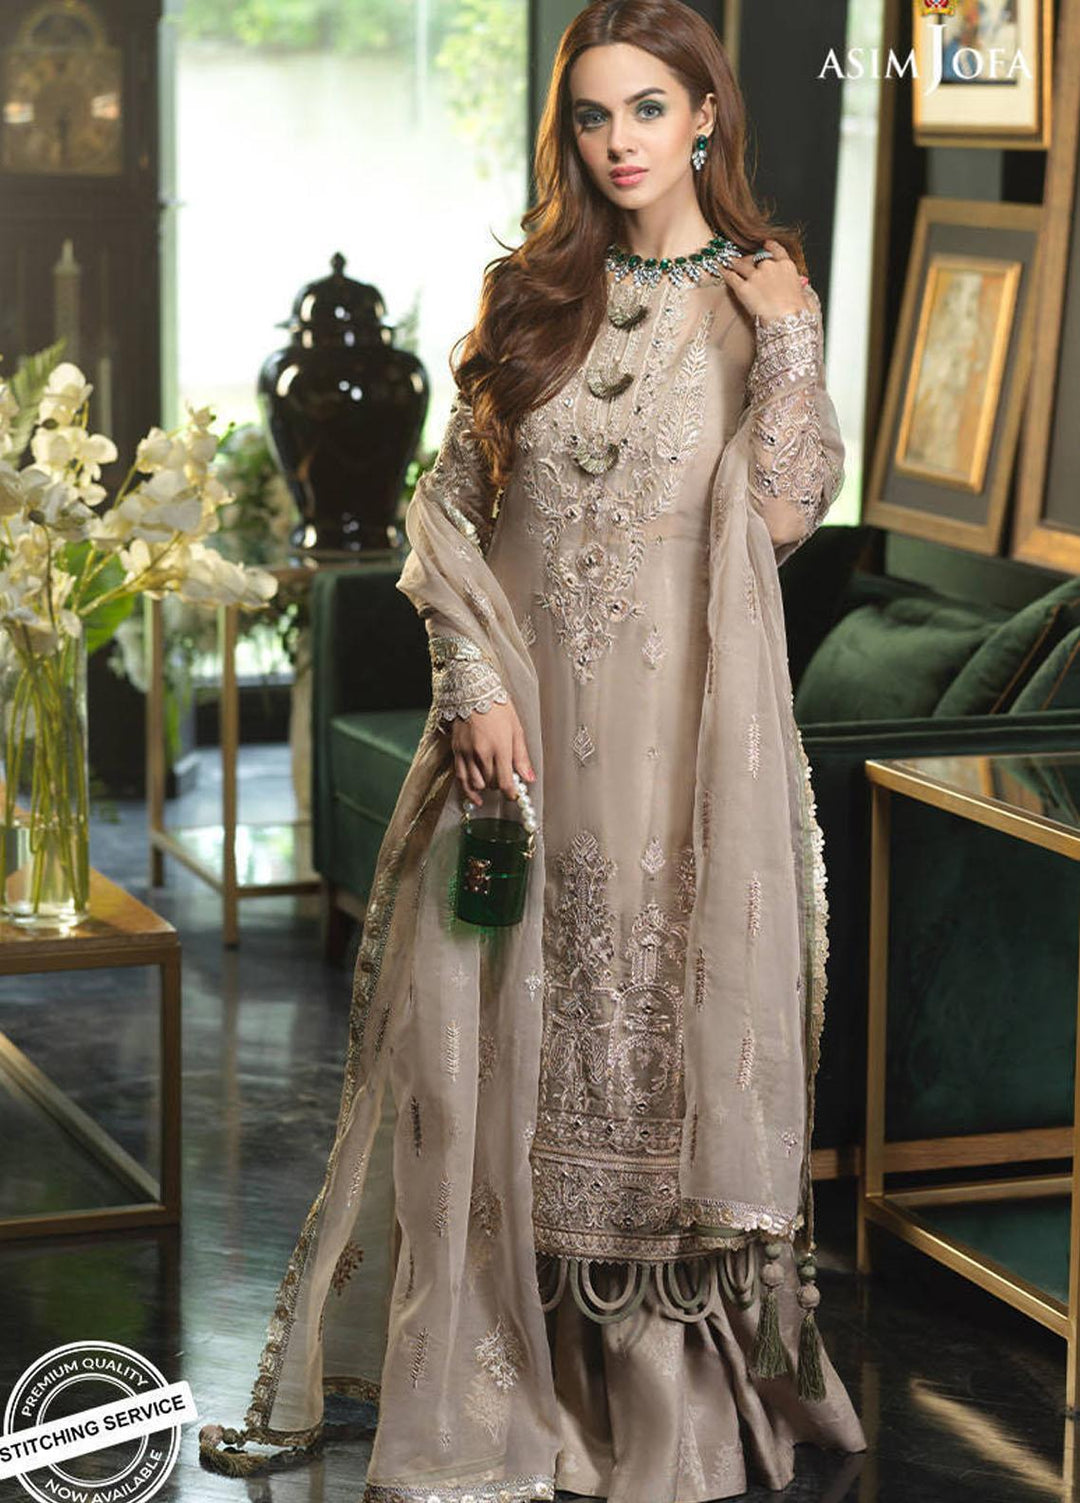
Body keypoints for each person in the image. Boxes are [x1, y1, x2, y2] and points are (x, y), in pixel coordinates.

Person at [199, 1, 867, 1498]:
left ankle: (650, 1391)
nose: (620, 141)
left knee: (638, 1056)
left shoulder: (760, 300)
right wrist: (470, 684)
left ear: (707, 114)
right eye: (592, 114)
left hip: (677, 764)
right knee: (484, 1048)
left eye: (649, 108)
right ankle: (505, 1376)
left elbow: (778, 517)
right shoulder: (533, 297)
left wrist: (793, 339)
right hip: (515, 749)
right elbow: (446, 515)